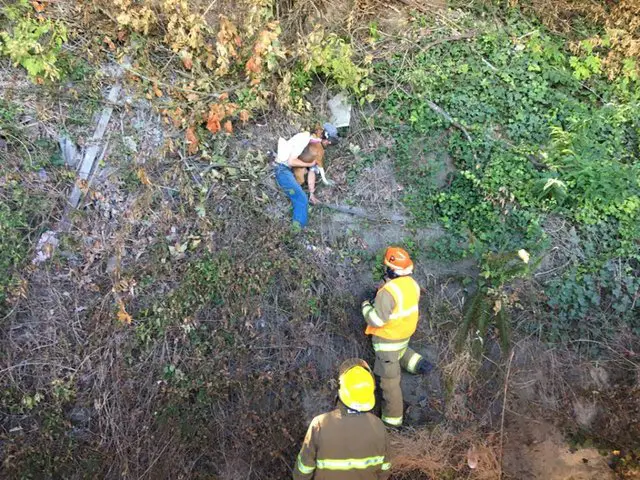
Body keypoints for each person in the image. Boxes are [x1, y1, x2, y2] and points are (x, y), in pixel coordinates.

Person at [361, 247, 434, 427]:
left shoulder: (388, 292)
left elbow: (377, 319)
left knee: (389, 384)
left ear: (390, 270)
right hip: (403, 337)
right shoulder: (413, 285)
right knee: (401, 352)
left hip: (387, 343)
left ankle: (392, 422)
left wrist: (365, 306)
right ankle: (418, 364)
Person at [293, 358, 392, 480]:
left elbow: (303, 471)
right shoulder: (379, 427)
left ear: (341, 389)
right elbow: (385, 471)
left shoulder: (319, 425)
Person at [273, 124, 339, 229]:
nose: (328, 143)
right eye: (328, 141)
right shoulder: (304, 138)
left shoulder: (312, 146)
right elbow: (292, 161)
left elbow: (312, 171)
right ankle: (296, 231)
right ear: (322, 135)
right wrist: (309, 164)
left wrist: (312, 193)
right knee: (301, 199)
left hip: (287, 170)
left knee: (303, 196)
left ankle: (296, 229)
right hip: (281, 169)